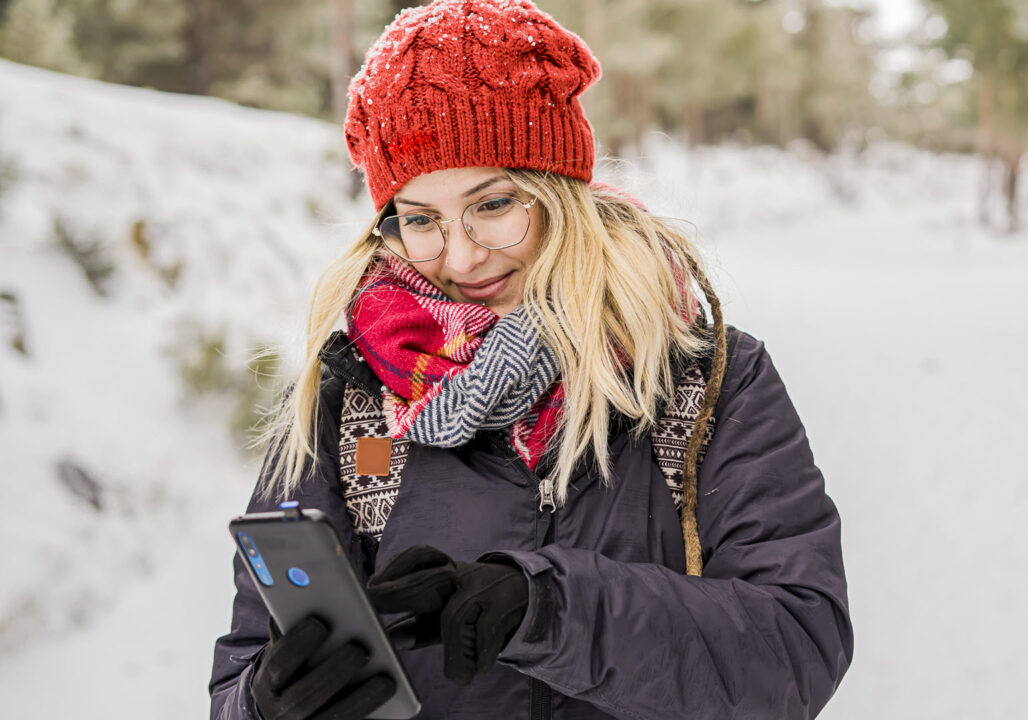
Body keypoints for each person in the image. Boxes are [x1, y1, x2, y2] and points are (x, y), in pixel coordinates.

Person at [207, 1, 853, 718]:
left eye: (493, 204)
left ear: (559, 194)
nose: (461, 255)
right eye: (421, 219)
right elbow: (239, 672)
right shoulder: (349, 397)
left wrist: (548, 610)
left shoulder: (702, 381)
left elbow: (797, 647)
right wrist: (266, 707)